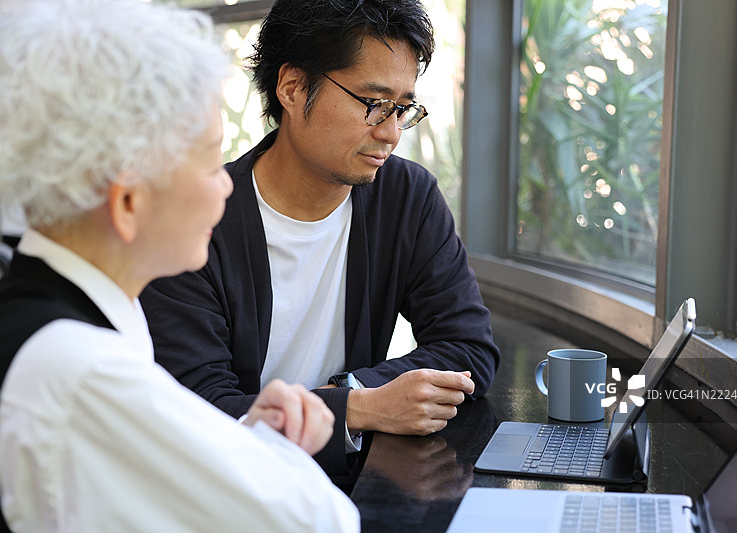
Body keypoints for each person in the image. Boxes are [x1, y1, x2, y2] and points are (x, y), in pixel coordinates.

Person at [0, 1, 359, 531]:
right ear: (128, 203)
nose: (228, 184)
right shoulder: (80, 369)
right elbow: (321, 522)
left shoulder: (53, 316)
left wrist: (248, 439)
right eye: (211, 163)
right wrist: (260, 453)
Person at [140, 0, 501, 478]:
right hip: (224, 488)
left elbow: (468, 345)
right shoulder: (198, 219)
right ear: (292, 88)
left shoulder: (406, 197)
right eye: (373, 103)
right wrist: (353, 408)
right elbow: (197, 406)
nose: (391, 133)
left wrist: (354, 390)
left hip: (339, 480)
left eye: (404, 108)